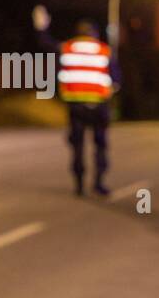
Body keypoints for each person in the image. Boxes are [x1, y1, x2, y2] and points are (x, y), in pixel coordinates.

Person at [39, 14, 116, 196]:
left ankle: (79, 185)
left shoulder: (68, 47)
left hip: (76, 106)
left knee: (78, 146)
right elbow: (116, 78)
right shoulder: (104, 51)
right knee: (100, 145)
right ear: (95, 33)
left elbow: (46, 43)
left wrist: (41, 27)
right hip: (99, 106)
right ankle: (98, 183)